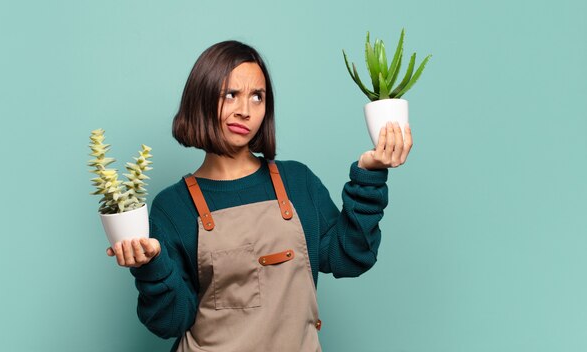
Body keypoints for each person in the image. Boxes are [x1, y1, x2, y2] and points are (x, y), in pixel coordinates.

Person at [106, 40, 412, 351]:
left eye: (257, 97)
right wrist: (152, 265)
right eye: (230, 95)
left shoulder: (297, 182)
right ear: (201, 99)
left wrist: (369, 173)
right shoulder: (173, 207)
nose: (245, 111)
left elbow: (351, 256)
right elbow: (170, 322)